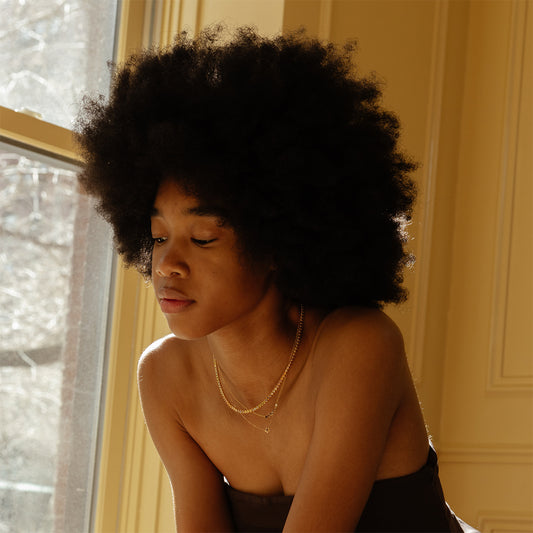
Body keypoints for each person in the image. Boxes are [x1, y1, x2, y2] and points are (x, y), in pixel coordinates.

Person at [76, 26, 478, 533]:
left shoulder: (359, 346)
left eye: (203, 238)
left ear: (275, 242)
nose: (167, 265)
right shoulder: (165, 375)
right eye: (158, 237)